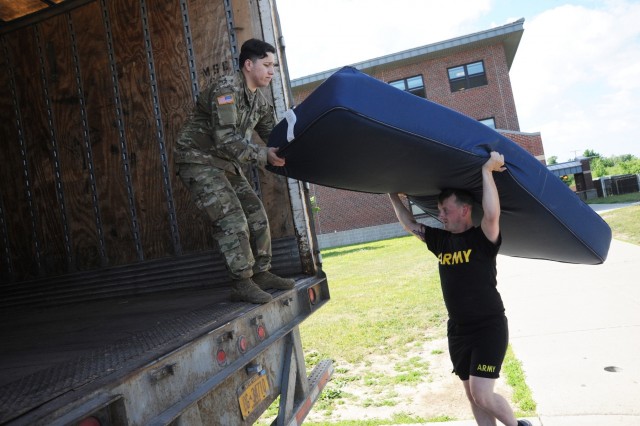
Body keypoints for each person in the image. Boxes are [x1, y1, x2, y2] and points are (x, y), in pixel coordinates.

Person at [388, 152, 532, 426]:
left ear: (464, 210)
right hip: (458, 329)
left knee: (483, 395)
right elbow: (410, 225)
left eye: (445, 210)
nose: (440, 216)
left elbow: (492, 213)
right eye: (439, 210)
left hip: (489, 326)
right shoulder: (440, 240)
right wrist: (393, 195)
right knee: (472, 396)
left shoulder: (483, 238)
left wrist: (487, 171)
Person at [174, 38, 294, 304]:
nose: (272, 71)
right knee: (232, 218)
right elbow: (225, 139)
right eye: (267, 64)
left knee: (256, 214)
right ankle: (241, 282)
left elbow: (273, 136)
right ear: (248, 65)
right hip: (198, 160)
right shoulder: (226, 89)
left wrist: (294, 148)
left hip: (225, 164)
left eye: (273, 65)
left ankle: (261, 273)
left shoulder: (258, 101)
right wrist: (264, 155)